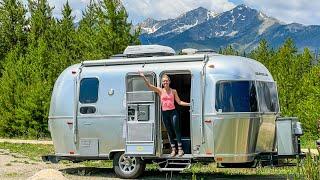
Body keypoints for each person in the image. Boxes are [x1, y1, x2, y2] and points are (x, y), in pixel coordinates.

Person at [139, 72, 190, 157]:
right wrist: (143, 77)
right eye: (163, 81)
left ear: (169, 82)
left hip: (173, 112)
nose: (165, 82)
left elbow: (179, 102)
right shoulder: (160, 90)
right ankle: (173, 150)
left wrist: (189, 104)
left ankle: (180, 149)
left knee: (176, 130)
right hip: (165, 113)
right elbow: (149, 86)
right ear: (162, 83)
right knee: (169, 132)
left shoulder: (173, 91)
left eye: (166, 81)